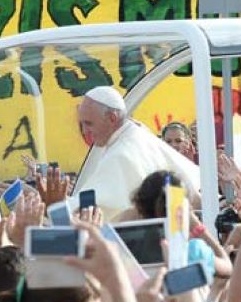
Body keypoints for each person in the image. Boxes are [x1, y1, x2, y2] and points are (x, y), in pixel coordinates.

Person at [74, 86, 200, 220]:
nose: (84, 131)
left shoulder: (121, 154)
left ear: (112, 118)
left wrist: (56, 202)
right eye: (82, 124)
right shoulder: (135, 133)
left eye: (89, 124)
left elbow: (90, 211)